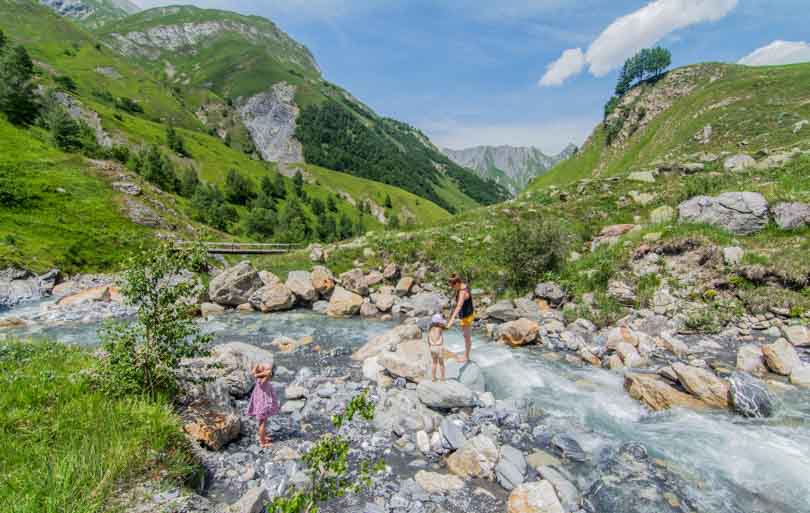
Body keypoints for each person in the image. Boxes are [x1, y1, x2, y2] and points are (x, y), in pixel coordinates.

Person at [246, 362, 279, 448]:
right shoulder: (262, 380)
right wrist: (260, 373)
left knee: (263, 421)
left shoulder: (260, 379)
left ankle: (263, 437)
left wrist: (258, 370)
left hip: (262, 403)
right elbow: (268, 373)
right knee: (262, 422)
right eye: (267, 369)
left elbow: (256, 370)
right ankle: (262, 442)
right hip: (262, 404)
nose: (270, 371)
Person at [447, 273, 474, 362]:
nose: (452, 288)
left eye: (452, 286)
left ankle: (466, 357)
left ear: (457, 284)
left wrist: (451, 320)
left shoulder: (462, 291)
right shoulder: (463, 285)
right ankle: (467, 354)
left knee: (467, 337)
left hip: (467, 316)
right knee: (465, 335)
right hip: (465, 314)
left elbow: (459, 306)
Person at [427, 313, 447, 382]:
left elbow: (428, 340)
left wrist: (430, 347)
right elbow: (445, 326)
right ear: (439, 322)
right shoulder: (440, 328)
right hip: (439, 347)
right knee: (441, 363)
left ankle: (433, 378)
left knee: (434, 363)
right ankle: (442, 378)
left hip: (432, 347)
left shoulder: (430, 329)